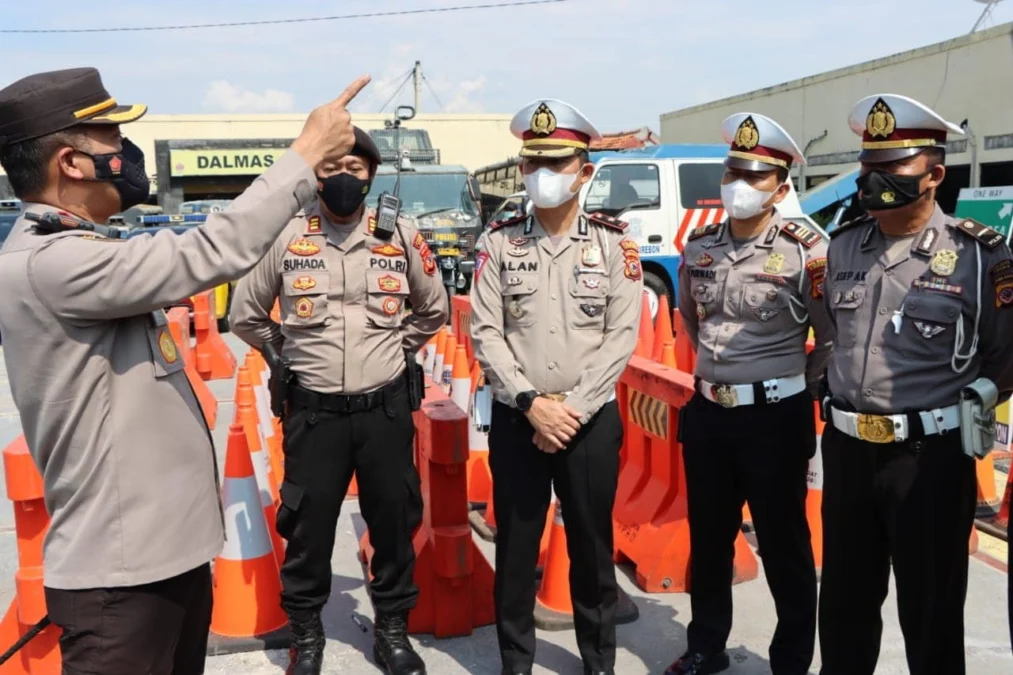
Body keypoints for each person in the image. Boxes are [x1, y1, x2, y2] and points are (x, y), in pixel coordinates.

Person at [0, 67, 370, 674]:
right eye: (112, 139)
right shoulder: (50, 263)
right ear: (70, 162)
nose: (126, 153)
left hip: (159, 560)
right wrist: (303, 158)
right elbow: (211, 249)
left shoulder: (84, 248)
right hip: (119, 583)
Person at [229, 126, 448, 675]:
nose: (343, 179)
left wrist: (396, 348)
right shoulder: (286, 234)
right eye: (331, 168)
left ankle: (393, 633)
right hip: (315, 414)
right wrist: (284, 356)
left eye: (355, 169)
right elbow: (245, 315)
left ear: (371, 175)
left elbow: (434, 308)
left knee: (394, 522)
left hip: (385, 410)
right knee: (307, 529)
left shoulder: (399, 234)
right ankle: (307, 637)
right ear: (315, 175)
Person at [818, 93, 1013, 675]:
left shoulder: (979, 254)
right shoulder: (843, 245)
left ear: (934, 175)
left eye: (892, 166)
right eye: (868, 165)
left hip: (928, 461)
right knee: (846, 607)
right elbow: (833, 336)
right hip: (849, 452)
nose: (874, 178)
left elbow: (1003, 358)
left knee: (930, 612)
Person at [469, 98, 642, 675]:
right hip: (519, 421)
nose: (542, 175)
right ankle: (515, 663)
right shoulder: (498, 243)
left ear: (585, 171)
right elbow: (485, 332)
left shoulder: (616, 244)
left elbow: (621, 337)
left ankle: (598, 663)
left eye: (557, 163)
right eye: (532, 163)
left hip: (588, 422)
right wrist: (529, 403)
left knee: (593, 551)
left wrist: (569, 410)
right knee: (516, 552)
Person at [666, 113, 830, 675]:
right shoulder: (699, 247)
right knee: (709, 541)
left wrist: (789, 387)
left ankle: (790, 660)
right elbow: (690, 318)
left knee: (784, 546)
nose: (739, 184)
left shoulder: (808, 251)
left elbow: (831, 335)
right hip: (711, 415)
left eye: (755, 176)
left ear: (780, 189)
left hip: (776, 420)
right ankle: (706, 646)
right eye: (733, 171)